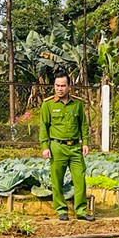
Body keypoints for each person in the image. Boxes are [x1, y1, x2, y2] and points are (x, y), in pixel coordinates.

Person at [39, 71, 94, 221]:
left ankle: (81, 210)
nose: (60, 89)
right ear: (54, 86)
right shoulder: (48, 104)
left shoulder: (77, 103)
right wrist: (45, 146)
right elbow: (44, 126)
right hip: (57, 146)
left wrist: (86, 143)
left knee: (80, 178)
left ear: (69, 86)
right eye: (57, 85)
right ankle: (61, 210)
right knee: (57, 180)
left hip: (75, 147)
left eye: (63, 86)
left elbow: (83, 124)